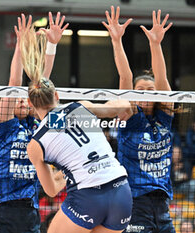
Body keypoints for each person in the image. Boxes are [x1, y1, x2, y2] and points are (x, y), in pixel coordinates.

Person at [21, 17, 133, 232]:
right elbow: (120, 106)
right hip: (121, 190)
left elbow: (52, 191)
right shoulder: (80, 108)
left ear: (29, 103)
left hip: (88, 196)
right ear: (57, 94)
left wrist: (64, 174)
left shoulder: (36, 145)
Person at [0, 12, 68, 233]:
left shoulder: (38, 125)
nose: (20, 100)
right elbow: (13, 82)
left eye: (24, 98)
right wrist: (20, 44)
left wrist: (52, 45)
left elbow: (43, 83)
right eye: (16, 97)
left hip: (29, 211)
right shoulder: (4, 125)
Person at [103, 6, 176, 232]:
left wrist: (155, 44)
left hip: (162, 205)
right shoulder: (130, 117)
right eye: (140, 90)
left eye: (149, 90)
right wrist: (117, 40)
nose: (144, 93)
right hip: (134, 202)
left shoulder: (165, 118)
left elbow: (162, 78)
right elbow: (125, 77)